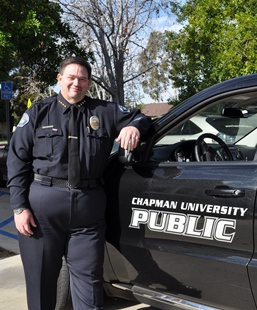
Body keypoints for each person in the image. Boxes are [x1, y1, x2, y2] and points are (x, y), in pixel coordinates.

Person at [7, 56, 152, 309]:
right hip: (43, 210)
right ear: (59, 79)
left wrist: (134, 128)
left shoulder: (105, 112)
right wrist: (19, 207)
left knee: (89, 284)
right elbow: (17, 160)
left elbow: (142, 118)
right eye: (71, 77)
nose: (77, 83)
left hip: (88, 210)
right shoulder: (38, 112)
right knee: (41, 283)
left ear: (89, 83)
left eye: (83, 79)